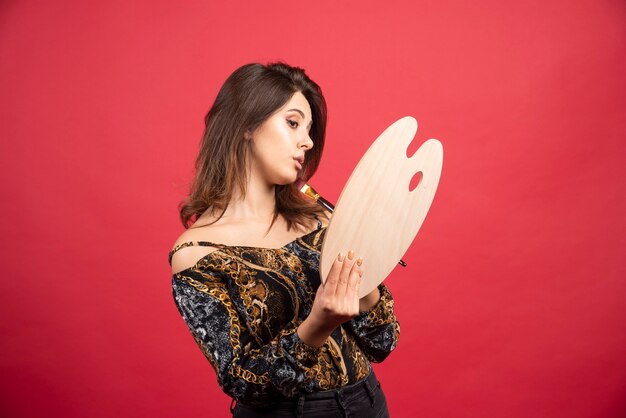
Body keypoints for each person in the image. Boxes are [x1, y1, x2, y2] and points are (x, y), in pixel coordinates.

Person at [169, 62, 400, 418]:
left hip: (367, 402)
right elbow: (243, 382)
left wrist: (364, 277)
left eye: (308, 130)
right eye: (292, 123)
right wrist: (316, 326)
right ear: (246, 124)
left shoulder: (320, 218)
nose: (307, 141)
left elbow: (382, 343)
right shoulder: (197, 254)